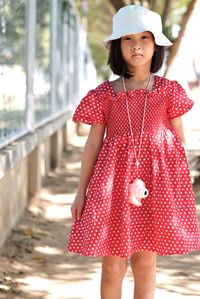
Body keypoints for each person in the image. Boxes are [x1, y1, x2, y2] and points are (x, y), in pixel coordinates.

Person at [67, 5, 200, 299]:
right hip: (113, 188)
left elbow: (178, 143)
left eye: (144, 37)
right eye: (128, 38)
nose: (137, 44)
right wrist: (81, 192)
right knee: (113, 266)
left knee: (145, 264)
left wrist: (180, 188)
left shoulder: (169, 91)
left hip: (155, 190)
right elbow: (92, 145)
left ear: (156, 45)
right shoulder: (104, 95)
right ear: (117, 46)